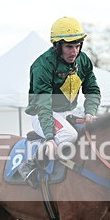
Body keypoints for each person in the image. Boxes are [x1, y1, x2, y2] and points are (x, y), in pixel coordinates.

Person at [18, 16, 101, 184]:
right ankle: (31, 164)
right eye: (69, 47)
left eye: (77, 46)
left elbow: (92, 90)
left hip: (69, 112)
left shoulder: (83, 61)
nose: (74, 52)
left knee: (97, 132)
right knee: (69, 135)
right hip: (42, 113)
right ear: (57, 46)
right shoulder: (43, 65)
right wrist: (50, 138)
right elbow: (43, 105)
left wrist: (90, 112)